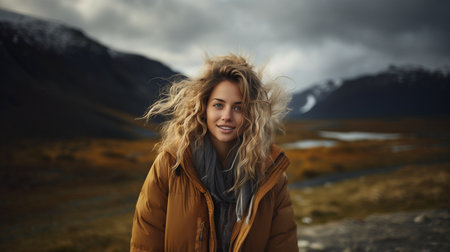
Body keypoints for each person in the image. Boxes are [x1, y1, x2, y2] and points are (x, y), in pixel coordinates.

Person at [130, 54, 298, 252]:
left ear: (252, 115)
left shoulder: (270, 174)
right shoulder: (171, 164)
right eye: (218, 105)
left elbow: (283, 245)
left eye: (238, 108)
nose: (227, 116)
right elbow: (145, 243)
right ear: (203, 108)